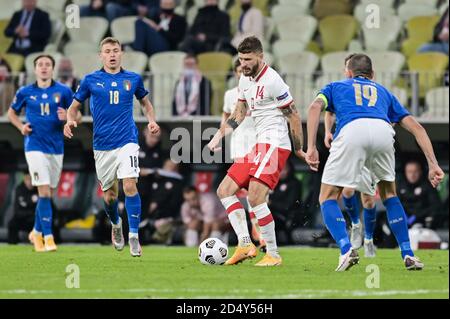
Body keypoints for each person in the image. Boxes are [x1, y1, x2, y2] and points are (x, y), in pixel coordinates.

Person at [305, 53, 445, 271]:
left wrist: (312, 147)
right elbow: (418, 128)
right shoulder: (385, 92)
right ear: (372, 74)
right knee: (390, 195)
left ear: (349, 73)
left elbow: (314, 107)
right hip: (383, 131)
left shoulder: (335, 86)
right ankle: (408, 254)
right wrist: (433, 164)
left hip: (351, 131)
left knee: (328, 196)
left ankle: (345, 248)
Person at [208, 36, 306, 266]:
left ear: (261, 57)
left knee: (255, 197)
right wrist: (219, 135)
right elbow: (239, 113)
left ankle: (273, 254)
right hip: (259, 144)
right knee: (225, 190)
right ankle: (245, 243)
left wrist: (299, 148)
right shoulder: (244, 79)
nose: (243, 64)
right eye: (241, 59)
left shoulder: (274, 81)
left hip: (275, 142)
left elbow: (293, 114)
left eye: (248, 59)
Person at [64, 37, 161, 257]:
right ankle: (116, 224)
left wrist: (152, 120)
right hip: (102, 146)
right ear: (101, 55)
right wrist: (70, 120)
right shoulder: (90, 80)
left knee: (129, 186)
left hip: (127, 141)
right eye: (107, 51)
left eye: (115, 50)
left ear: (121, 53)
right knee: (109, 197)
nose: (112, 54)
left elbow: (145, 103)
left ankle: (134, 236)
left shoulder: (133, 79)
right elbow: (73, 108)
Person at [7, 54, 80, 252]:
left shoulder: (63, 91)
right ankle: (47, 238)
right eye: (40, 64)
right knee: (44, 191)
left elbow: (78, 114)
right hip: (34, 147)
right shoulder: (25, 91)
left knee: (48, 194)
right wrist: (21, 127)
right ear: (35, 69)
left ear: (53, 68)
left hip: (56, 148)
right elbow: (11, 112)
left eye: (48, 64)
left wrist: (69, 117)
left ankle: (36, 232)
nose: (44, 67)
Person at [324, 92, 378, 258]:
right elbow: (329, 111)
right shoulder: (342, 90)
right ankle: (355, 225)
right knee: (347, 191)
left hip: (369, 148)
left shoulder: (373, 92)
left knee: (368, 200)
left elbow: (387, 114)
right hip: (347, 146)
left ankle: (368, 239)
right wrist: (327, 131)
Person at [221, 58, 263, 248]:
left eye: (243, 69)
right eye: (238, 70)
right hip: (238, 146)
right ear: (235, 73)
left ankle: (255, 231)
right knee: (244, 190)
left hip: (257, 144)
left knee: (257, 192)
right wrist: (220, 137)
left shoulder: (258, 91)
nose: (241, 73)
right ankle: (254, 230)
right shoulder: (230, 95)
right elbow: (226, 117)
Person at [141, 159, 183, 244]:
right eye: (168, 165)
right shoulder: (154, 178)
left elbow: (173, 203)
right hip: (146, 215)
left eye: (173, 167)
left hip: (165, 216)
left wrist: (155, 205)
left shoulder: (177, 182)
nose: (170, 168)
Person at [397, 160, 443, 229]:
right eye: (409, 172)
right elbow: (396, 205)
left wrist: (417, 216)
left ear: (420, 172)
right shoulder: (400, 186)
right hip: (403, 221)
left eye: (415, 171)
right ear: (405, 173)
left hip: (423, 223)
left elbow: (435, 206)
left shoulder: (428, 187)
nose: (412, 175)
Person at [267, 161, 302, 245]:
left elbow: (290, 205)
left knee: (269, 219)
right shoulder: (274, 183)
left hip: (285, 215)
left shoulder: (294, 184)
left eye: (284, 169)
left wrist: (271, 203)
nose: (281, 172)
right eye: (279, 169)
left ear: (290, 169)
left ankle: (272, 243)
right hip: (271, 212)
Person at [7, 173, 37, 244]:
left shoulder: (39, 189)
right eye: (28, 179)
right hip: (22, 218)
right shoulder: (19, 189)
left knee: (43, 223)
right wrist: (30, 201)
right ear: (24, 179)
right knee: (12, 224)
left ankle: (42, 244)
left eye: (31, 179)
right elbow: (17, 210)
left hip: (34, 218)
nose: (30, 182)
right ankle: (12, 245)